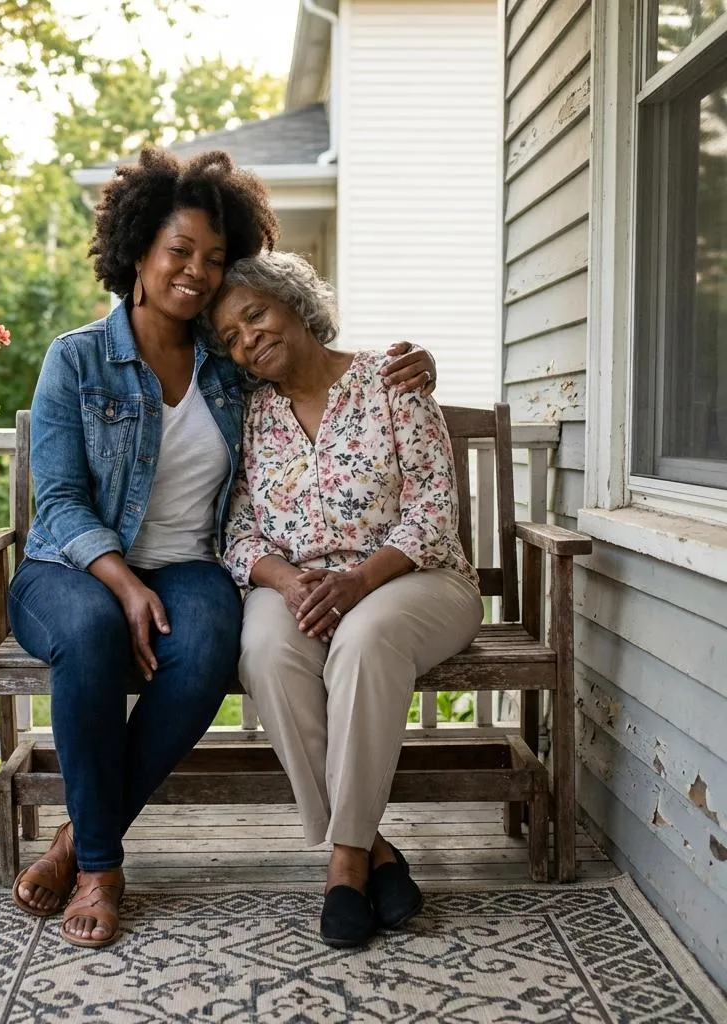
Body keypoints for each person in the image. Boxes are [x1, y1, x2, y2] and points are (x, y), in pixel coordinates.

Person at [7, 148, 438, 948]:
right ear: (137, 252)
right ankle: (101, 866)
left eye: (214, 258)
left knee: (208, 648)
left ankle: (73, 837)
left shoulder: (229, 368)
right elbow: (59, 502)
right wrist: (123, 585)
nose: (198, 272)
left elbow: (313, 367)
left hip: (189, 564)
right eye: (179, 252)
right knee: (95, 632)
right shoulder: (76, 357)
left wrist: (411, 366)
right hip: (69, 566)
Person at [209, 250, 483, 949]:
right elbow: (238, 527)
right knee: (266, 647)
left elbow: (431, 510)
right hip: (299, 582)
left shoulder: (392, 379)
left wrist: (360, 581)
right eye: (232, 338)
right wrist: (285, 579)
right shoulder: (252, 415)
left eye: (255, 316)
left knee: (364, 639)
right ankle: (374, 851)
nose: (248, 340)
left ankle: (342, 862)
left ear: (296, 304)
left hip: (413, 579)